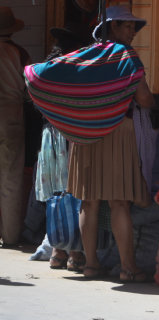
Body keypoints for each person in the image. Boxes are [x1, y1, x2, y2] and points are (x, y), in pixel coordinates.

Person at [65, 5, 155, 281]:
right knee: (118, 203)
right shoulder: (127, 56)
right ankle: (129, 268)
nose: (132, 32)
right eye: (127, 26)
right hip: (117, 131)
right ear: (112, 27)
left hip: (85, 133)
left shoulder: (85, 56)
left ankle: (90, 265)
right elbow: (144, 100)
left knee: (88, 202)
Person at [42, 21, 92, 271]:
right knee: (73, 193)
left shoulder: (44, 71)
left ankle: (57, 251)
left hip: (49, 137)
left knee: (55, 196)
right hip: (69, 137)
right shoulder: (74, 73)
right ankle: (74, 252)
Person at [0, 6, 31, 247]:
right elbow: (32, 89)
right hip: (12, 117)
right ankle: (10, 236)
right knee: (10, 179)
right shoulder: (20, 54)